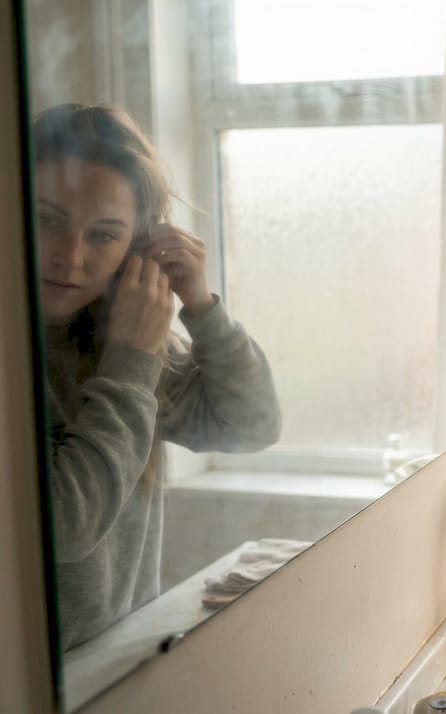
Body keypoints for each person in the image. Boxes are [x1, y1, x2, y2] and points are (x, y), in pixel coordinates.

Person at [32, 103, 282, 649]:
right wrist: (130, 364)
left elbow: (252, 425)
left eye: (102, 235)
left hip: (117, 666)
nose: (69, 257)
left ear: (134, 248)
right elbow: (63, 528)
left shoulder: (117, 343)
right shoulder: (121, 356)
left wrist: (200, 306)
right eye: (47, 221)